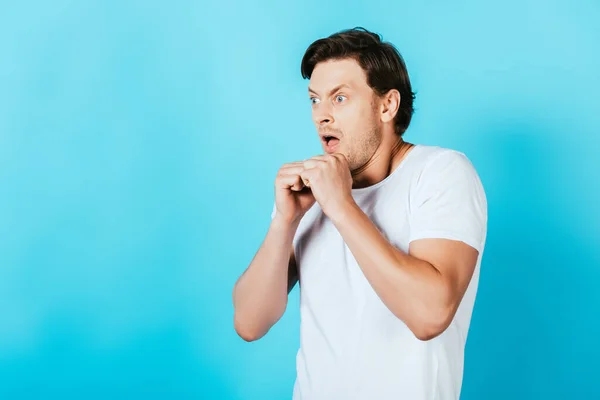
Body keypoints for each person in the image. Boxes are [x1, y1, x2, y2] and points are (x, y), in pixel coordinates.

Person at [232, 27, 487, 400]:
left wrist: (341, 206)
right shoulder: (311, 190)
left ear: (387, 105)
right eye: (315, 100)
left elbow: (430, 314)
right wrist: (284, 222)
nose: (322, 116)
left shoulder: (441, 172)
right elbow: (249, 323)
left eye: (340, 98)